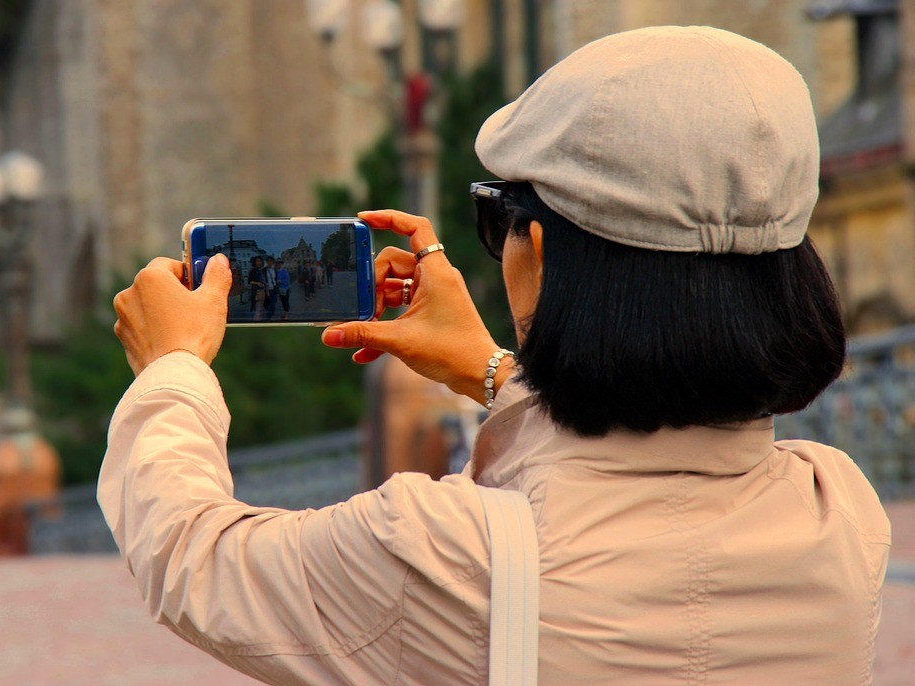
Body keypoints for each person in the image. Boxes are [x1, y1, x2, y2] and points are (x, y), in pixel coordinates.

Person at [103, 27, 890, 685]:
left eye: (500, 218)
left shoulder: (446, 554)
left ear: (538, 250)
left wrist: (174, 367)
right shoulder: (840, 514)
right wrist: (489, 370)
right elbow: (646, 477)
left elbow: (191, 557)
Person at [247, 255, 266, 321]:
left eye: (260, 261)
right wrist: (258, 283)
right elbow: (249, 281)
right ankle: (256, 322)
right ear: (254, 262)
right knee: (258, 308)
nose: (259, 263)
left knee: (260, 308)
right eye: (257, 261)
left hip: (262, 291)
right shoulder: (253, 270)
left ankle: (258, 321)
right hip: (256, 292)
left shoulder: (261, 271)